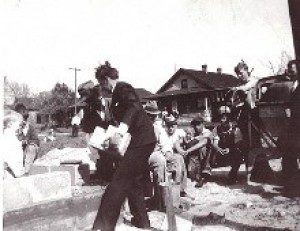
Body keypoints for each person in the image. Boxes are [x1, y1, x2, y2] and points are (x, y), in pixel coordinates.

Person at [92, 61, 156, 230]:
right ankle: (143, 223)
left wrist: (120, 130)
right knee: (132, 182)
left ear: (105, 79)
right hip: (141, 141)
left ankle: (103, 227)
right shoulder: (115, 97)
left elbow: (134, 107)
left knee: (118, 182)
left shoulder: (122, 87)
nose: (101, 87)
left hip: (141, 141)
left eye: (100, 83)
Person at [212, 113, 244, 184]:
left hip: (232, 150)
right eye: (221, 121)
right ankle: (205, 173)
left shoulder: (236, 130)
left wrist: (230, 149)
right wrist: (218, 149)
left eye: (224, 121)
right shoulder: (216, 129)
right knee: (210, 150)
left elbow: (238, 144)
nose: (222, 122)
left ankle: (233, 174)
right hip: (220, 150)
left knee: (237, 154)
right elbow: (215, 142)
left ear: (229, 122)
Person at [15, 103, 40, 175]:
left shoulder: (30, 127)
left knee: (32, 147)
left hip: (27, 151)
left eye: (24, 120)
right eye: (21, 120)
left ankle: (26, 172)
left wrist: (26, 141)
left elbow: (36, 140)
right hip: (17, 151)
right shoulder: (14, 127)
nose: (23, 122)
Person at [3, 112, 25, 179]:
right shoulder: (8, 137)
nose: (19, 125)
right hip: (11, 173)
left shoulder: (12, 136)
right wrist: (18, 173)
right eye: (17, 122)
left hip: (14, 171)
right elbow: (8, 157)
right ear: (10, 124)